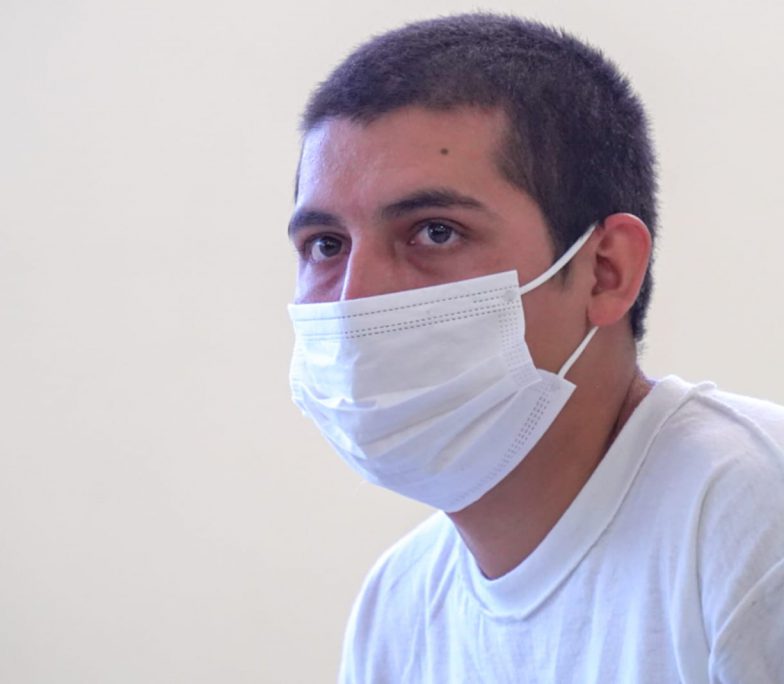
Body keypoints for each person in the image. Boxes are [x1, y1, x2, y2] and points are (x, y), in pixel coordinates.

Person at [286, 13, 784, 683]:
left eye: (435, 232)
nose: (356, 301)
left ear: (606, 270)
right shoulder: (397, 609)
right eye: (326, 245)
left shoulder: (752, 517)